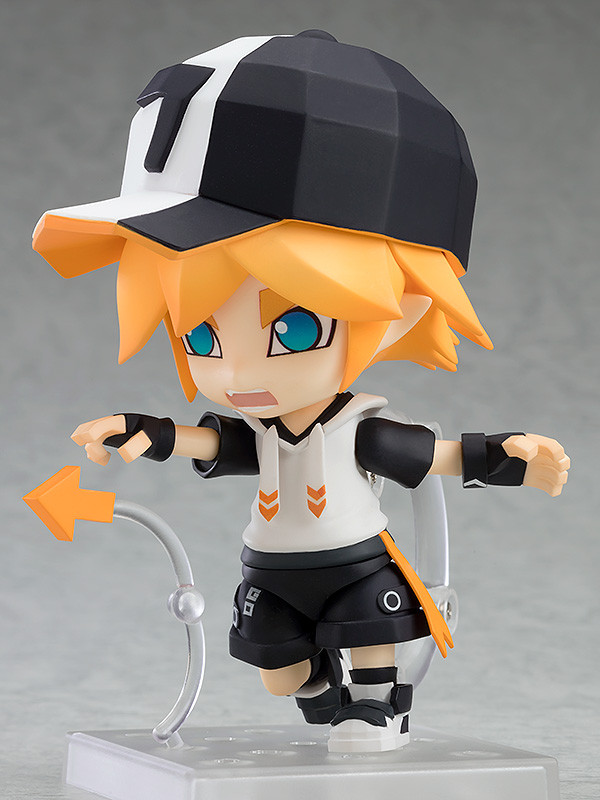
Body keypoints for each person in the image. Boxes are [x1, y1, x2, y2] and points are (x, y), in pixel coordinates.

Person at [32, 31, 569, 752]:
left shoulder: (359, 429)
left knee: (373, 643)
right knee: (280, 672)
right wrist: (148, 432)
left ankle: (375, 706)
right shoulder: (256, 428)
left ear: (401, 306)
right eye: (200, 337)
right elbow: (215, 443)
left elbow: (433, 457)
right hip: (272, 567)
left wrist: (507, 457)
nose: (235, 373)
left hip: (354, 561)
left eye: (291, 330)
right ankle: (323, 694)